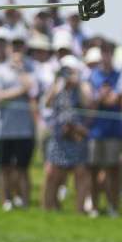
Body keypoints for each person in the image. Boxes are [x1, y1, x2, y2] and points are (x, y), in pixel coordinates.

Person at [0, 30, 38, 210]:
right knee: (4, 167)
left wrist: (21, 71)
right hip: (4, 128)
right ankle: (5, 201)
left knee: (22, 169)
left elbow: (32, 90)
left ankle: (24, 202)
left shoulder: (30, 68)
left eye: (19, 46)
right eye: (13, 46)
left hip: (25, 129)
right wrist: (20, 91)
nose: (16, 50)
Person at [43, 55, 92, 213]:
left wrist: (77, 82)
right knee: (51, 173)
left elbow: (88, 103)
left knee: (80, 173)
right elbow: (47, 102)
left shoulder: (83, 86)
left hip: (77, 136)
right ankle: (48, 207)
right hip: (59, 135)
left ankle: (79, 210)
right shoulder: (58, 85)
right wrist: (57, 82)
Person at [85, 46, 122, 217]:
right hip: (95, 131)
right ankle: (94, 206)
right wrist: (102, 97)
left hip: (114, 131)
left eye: (108, 53)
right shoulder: (92, 76)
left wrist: (103, 98)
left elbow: (117, 100)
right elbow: (90, 102)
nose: (106, 57)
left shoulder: (119, 75)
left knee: (113, 171)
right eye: (104, 53)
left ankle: (113, 207)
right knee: (93, 171)